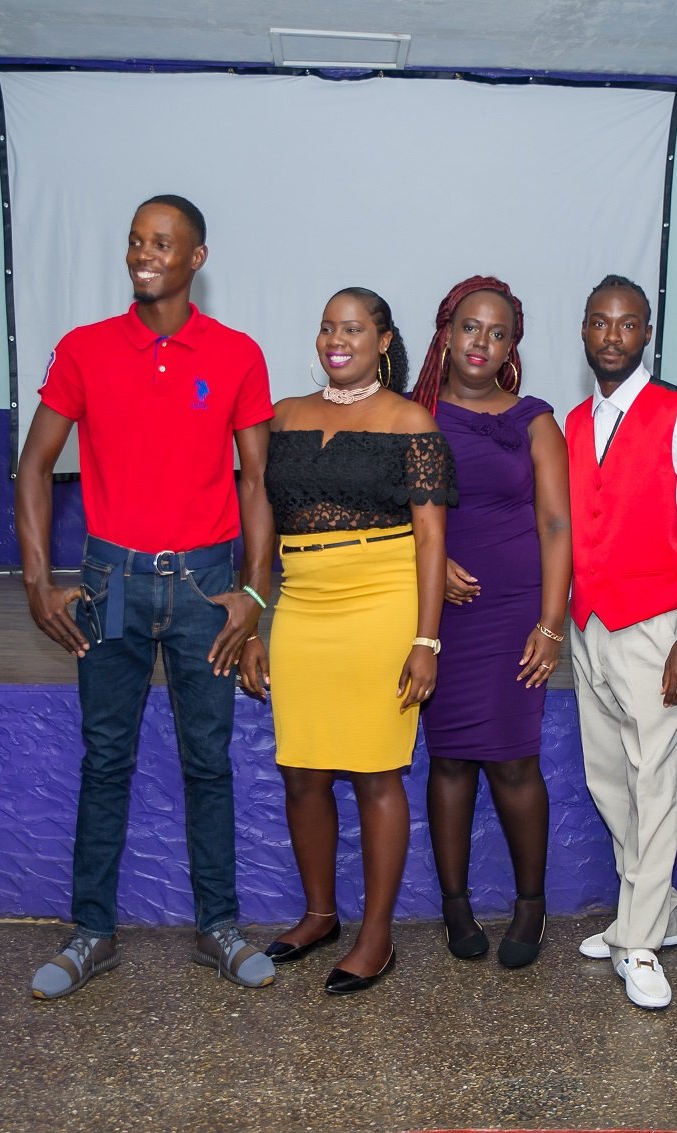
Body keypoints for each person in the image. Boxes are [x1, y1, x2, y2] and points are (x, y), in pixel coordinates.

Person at [15, 193, 276, 998]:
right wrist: (37, 582)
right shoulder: (85, 348)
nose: (144, 252)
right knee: (106, 761)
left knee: (208, 761)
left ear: (195, 258)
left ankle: (218, 928)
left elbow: (258, 481)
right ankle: (91, 932)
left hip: (204, 585)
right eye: (135, 240)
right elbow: (33, 467)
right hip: (112, 581)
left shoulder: (235, 353)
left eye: (162, 242)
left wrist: (254, 597)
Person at [239, 287, 454, 995]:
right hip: (302, 603)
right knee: (301, 767)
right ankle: (320, 913)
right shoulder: (282, 416)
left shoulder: (409, 420)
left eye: (354, 328)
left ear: (384, 340)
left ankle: (376, 934)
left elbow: (430, 538)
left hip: (382, 600)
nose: (338, 338)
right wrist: (252, 616)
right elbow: (262, 527)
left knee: (374, 771)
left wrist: (426, 638)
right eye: (328, 326)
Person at [565, 274, 677, 1010]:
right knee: (608, 779)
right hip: (588, 622)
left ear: (647, 332)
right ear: (585, 331)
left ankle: (641, 941)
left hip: (654, 622)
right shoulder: (571, 420)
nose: (612, 336)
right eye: (599, 323)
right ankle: (651, 909)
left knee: (654, 780)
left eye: (627, 324)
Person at [409, 276, 571, 969]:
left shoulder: (534, 419)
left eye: (496, 331)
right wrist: (431, 564)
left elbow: (558, 523)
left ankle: (531, 903)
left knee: (512, 761)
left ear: (510, 346)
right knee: (447, 759)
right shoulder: (412, 415)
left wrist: (550, 622)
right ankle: (454, 904)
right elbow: (391, 511)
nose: (481, 341)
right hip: (436, 614)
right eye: (469, 326)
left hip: (512, 615)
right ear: (446, 332)